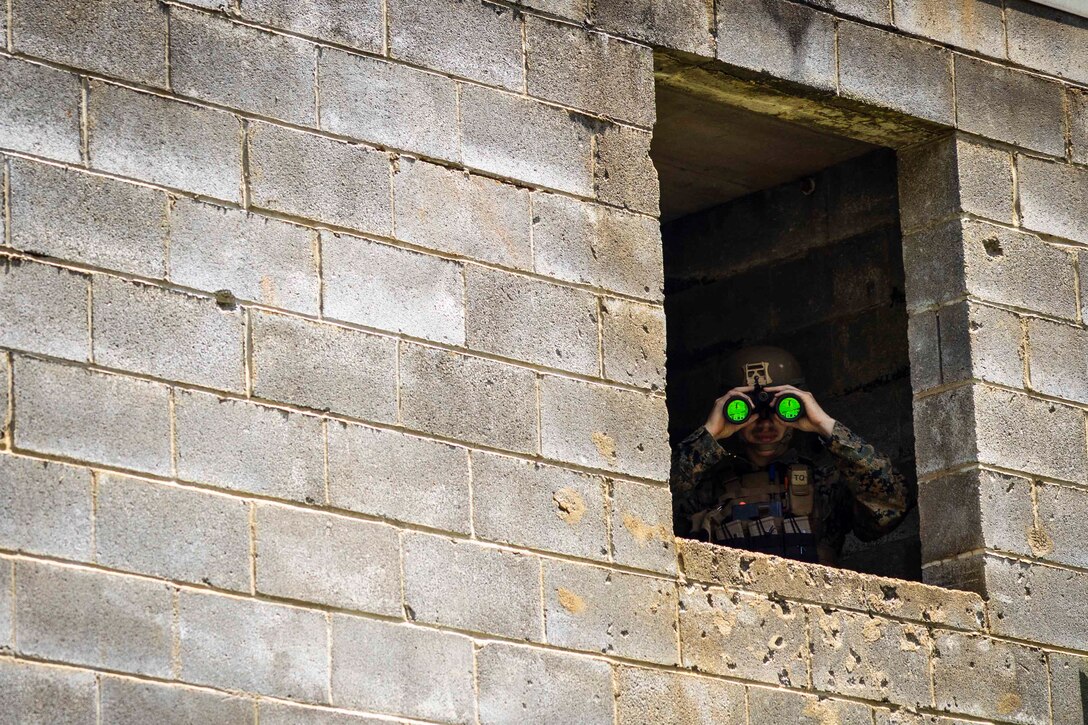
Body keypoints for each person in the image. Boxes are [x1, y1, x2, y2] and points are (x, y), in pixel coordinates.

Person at [670, 346, 908, 566]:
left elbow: (891, 505)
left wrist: (824, 425)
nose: (764, 423)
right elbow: (649, 502)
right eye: (749, 411)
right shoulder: (705, 490)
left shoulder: (825, 484)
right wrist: (709, 434)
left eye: (777, 411)